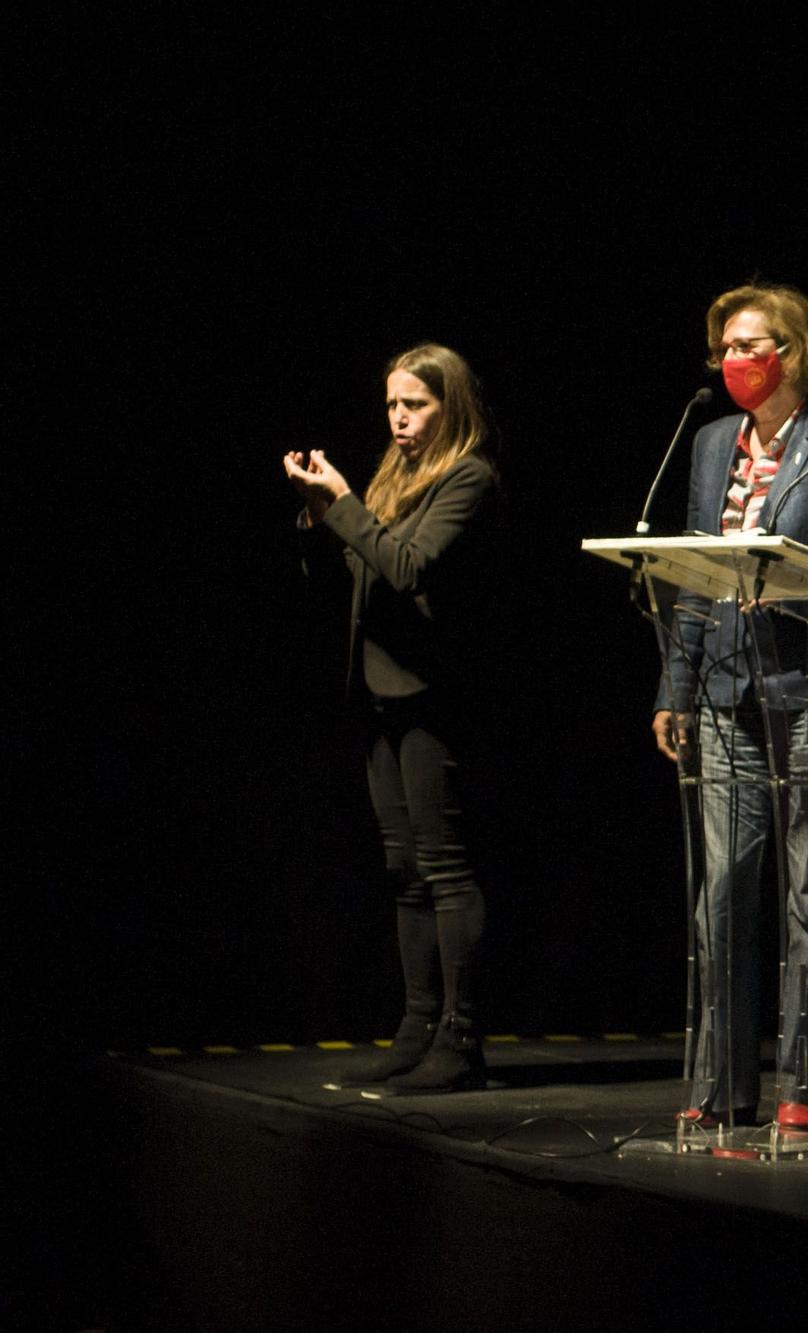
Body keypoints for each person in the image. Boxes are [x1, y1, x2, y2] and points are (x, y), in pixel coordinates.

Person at [651, 282, 808, 1130]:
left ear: (792, 354)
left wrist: (793, 587)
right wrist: (676, 688)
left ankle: (801, 1087)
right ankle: (717, 1086)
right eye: (723, 346)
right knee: (720, 892)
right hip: (726, 692)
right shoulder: (711, 441)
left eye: (748, 345)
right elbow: (693, 576)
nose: (731, 361)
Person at [284, 343, 500, 1094]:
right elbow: (357, 571)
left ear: (451, 406)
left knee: (443, 867)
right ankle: (416, 1026)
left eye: (416, 404)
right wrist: (321, 521)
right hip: (379, 689)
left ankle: (462, 1037)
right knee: (403, 867)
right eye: (392, 405)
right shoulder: (395, 472)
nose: (399, 418)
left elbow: (408, 567)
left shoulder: (467, 478)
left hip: (432, 694)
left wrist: (344, 507)